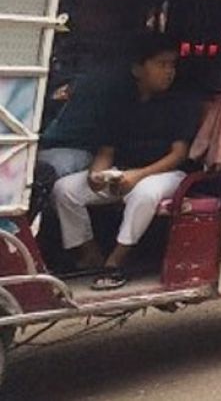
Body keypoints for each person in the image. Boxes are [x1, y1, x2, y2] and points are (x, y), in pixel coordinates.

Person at [51, 33, 203, 290]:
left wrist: (138, 175)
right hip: (122, 173)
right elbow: (106, 151)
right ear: (137, 69)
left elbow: (177, 156)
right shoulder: (119, 102)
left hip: (167, 175)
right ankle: (89, 254)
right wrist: (96, 175)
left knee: (143, 194)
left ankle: (115, 262)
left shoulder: (180, 103)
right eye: (161, 64)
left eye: (172, 65)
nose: (169, 72)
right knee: (64, 190)